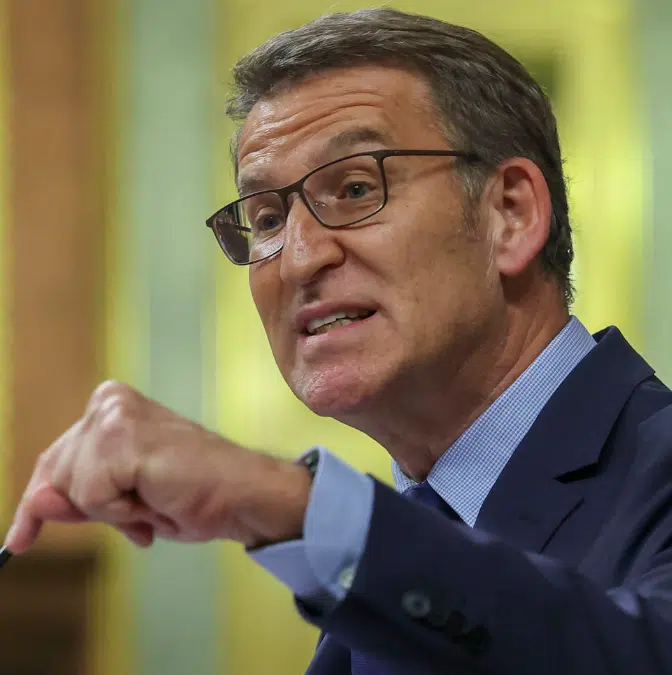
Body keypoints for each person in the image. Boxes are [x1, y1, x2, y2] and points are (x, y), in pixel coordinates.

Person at [5, 7, 672, 674]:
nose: (298, 259)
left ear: (511, 213)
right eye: (268, 218)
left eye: (354, 188)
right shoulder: (392, 549)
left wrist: (289, 503)